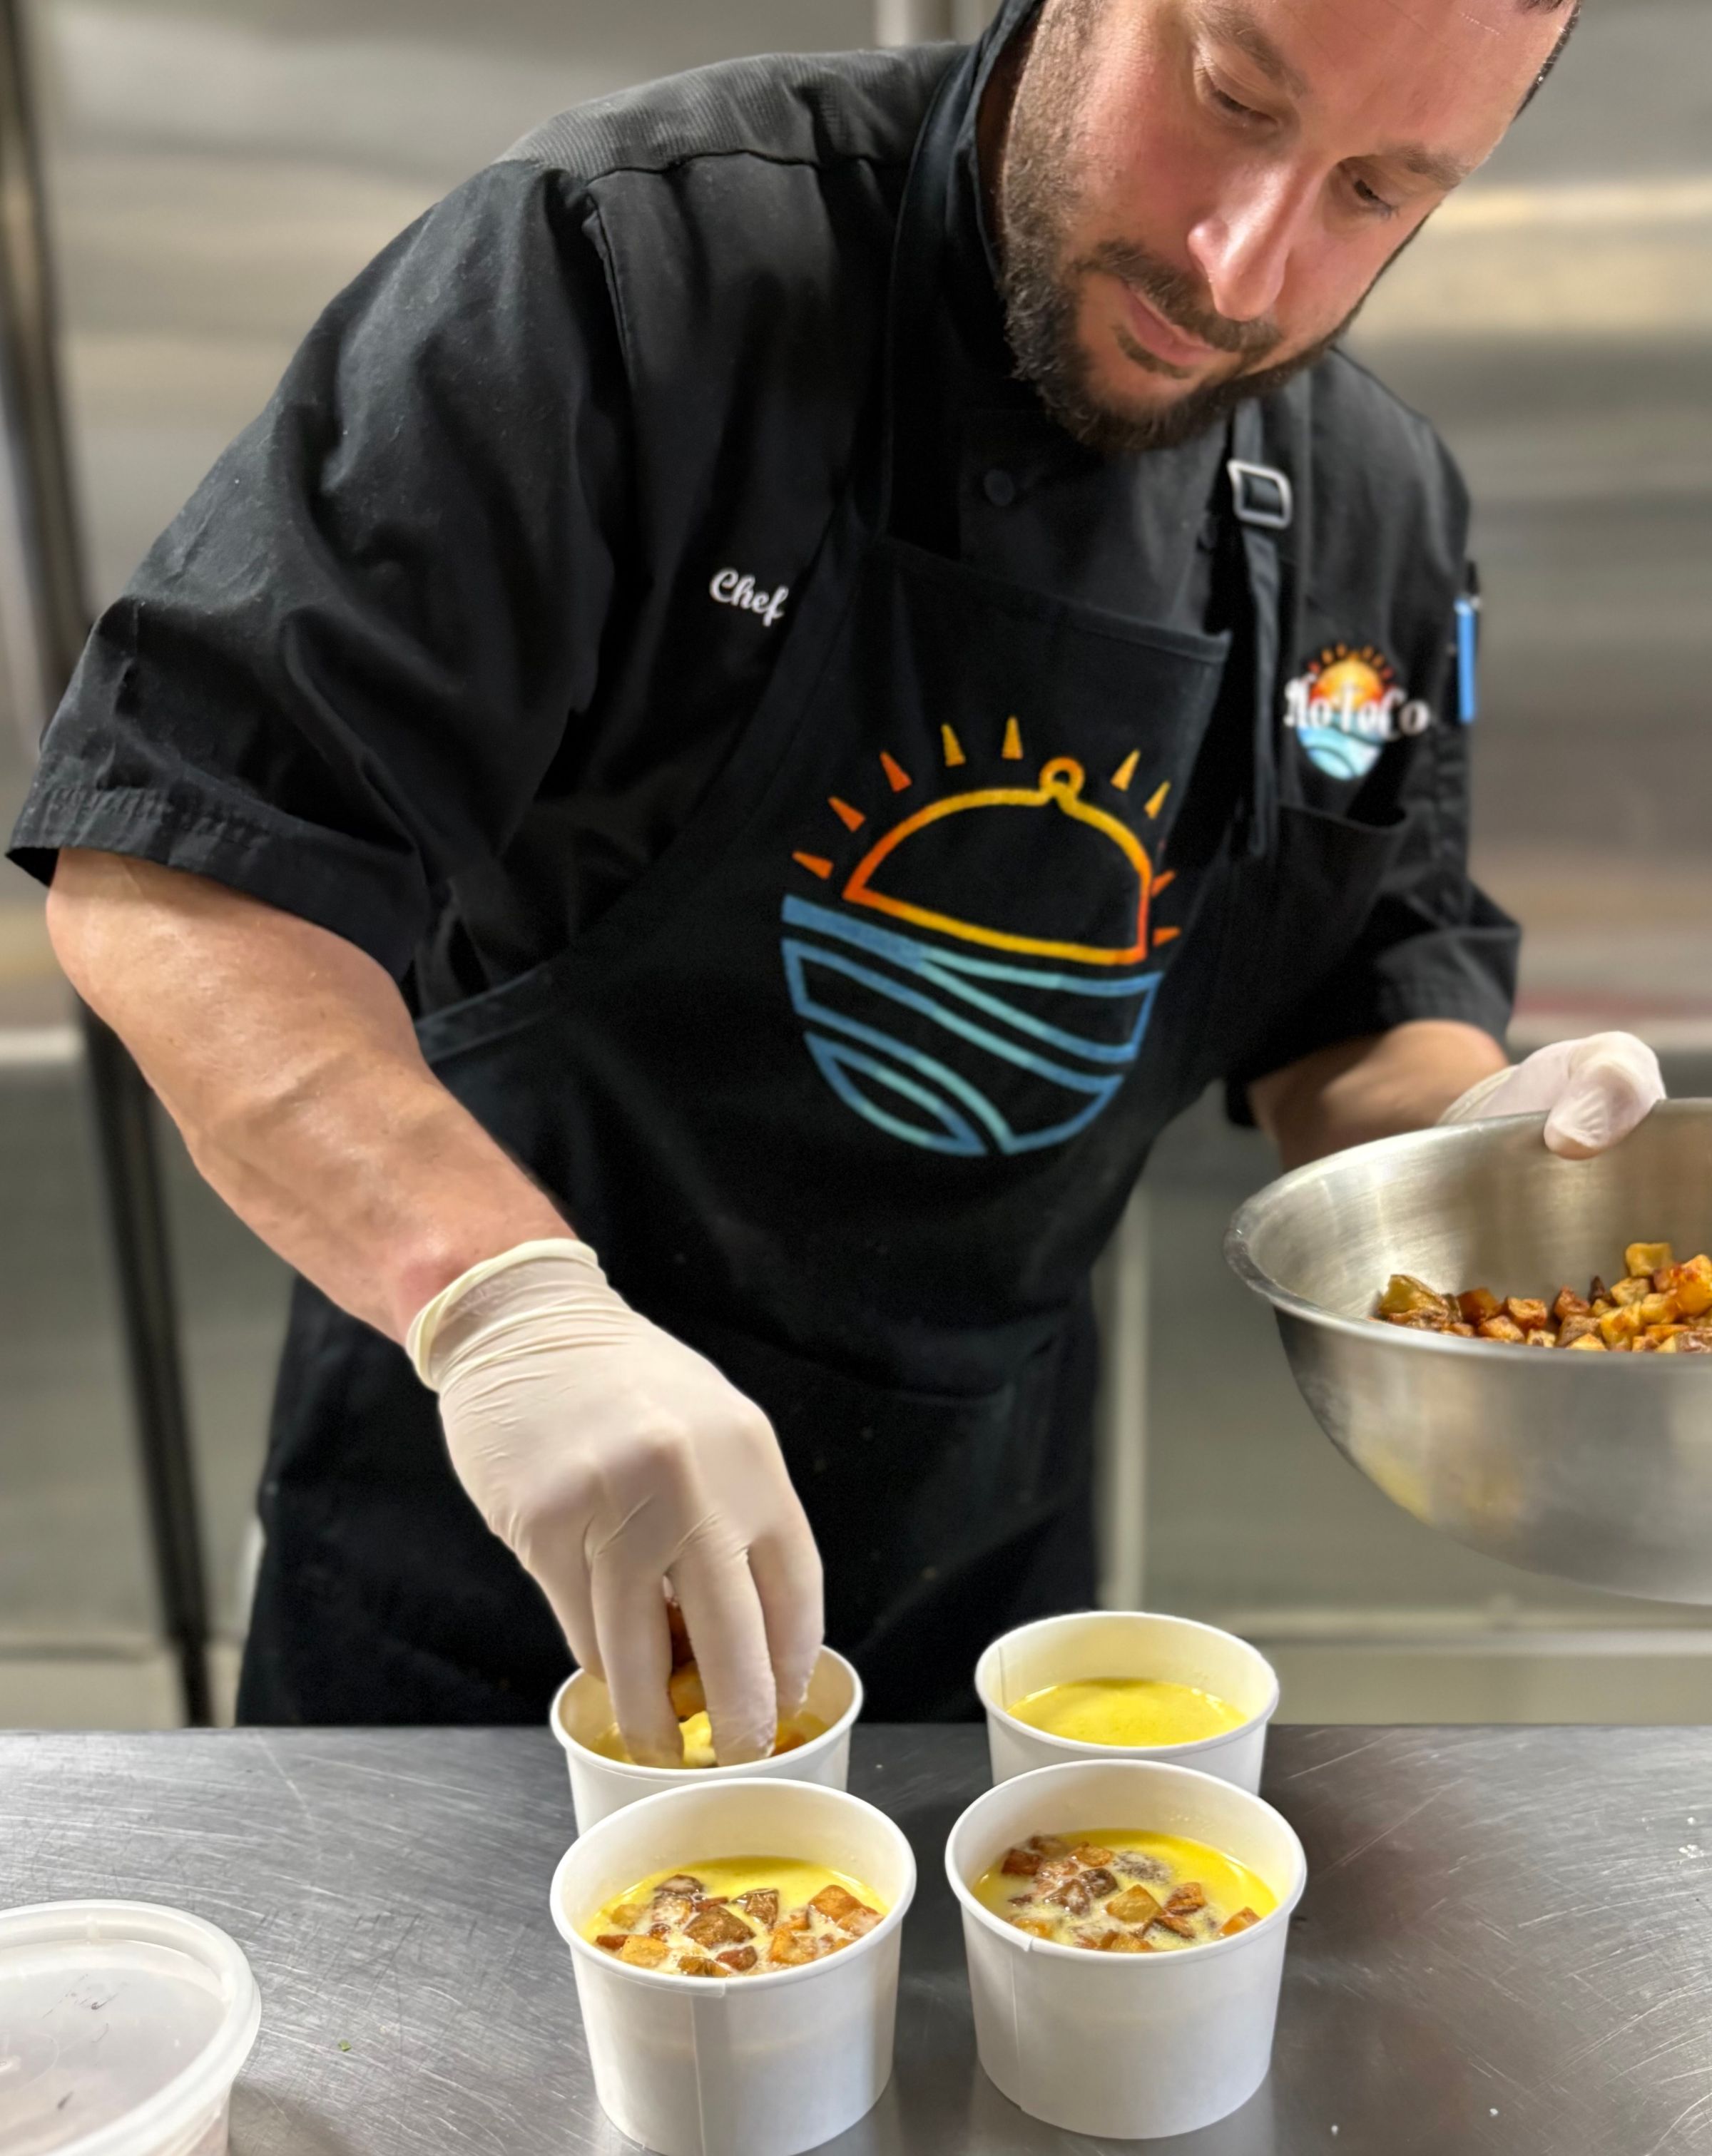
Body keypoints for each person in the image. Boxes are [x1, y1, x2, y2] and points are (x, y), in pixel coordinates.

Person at [9, 0, 1661, 1758]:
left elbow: (1355, 997)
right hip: (492, 1584)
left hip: (982, 1602)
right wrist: (509, 1310)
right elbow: (176, 865)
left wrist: (1480, 1161)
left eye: (1379, 192)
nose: (1242, 269)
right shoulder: (631, 270)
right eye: (1231, 97)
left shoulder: (1378, 504)